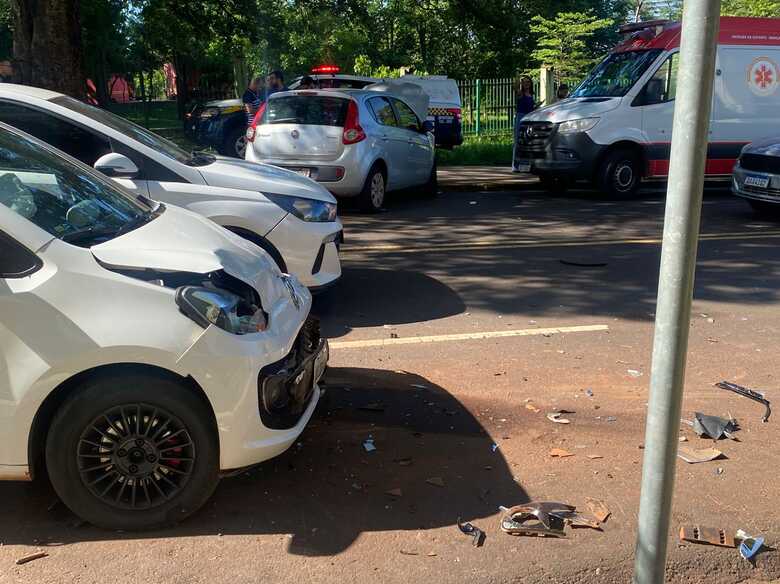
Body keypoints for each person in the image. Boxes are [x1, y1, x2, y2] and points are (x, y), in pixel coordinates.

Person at [512, 76, 535, 173]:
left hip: (530, 118)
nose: (526, 84)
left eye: (528, 82)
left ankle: (526, 165)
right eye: (524, 82)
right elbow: (515, 87)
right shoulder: (520, 93)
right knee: (518, 140)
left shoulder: (531, 94)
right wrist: (517, 77)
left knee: (528, 141)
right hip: (521, 118)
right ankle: (515, 165)